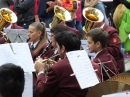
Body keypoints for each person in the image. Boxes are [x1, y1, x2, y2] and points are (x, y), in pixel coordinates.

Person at [34, 31, 88, 97]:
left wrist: (41, 71)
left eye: (57, 47)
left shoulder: (57, 68)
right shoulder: (94, 65)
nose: (57, 50)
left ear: (63, 48)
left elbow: (41, 92)